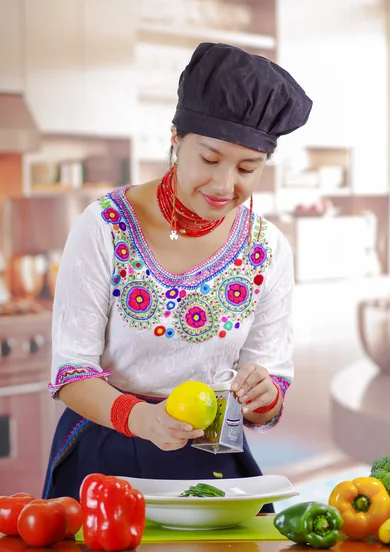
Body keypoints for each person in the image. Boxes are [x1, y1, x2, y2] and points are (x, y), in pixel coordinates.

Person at [43, 42, 312, 505]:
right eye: (209, 160)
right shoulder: (105, 226)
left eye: (248, 168)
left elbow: (269, 394)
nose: (225, 185)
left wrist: (263, 397)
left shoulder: (267, 249)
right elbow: (71, 371)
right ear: (175, 137)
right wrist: (142, 420)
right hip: (107, 457)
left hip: (214, 462)